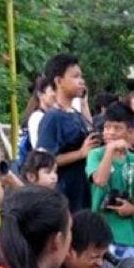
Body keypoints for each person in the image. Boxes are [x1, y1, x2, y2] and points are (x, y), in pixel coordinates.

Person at [36, 54, 101, 212]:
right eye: (75, 76)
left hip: (83, 191)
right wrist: (80, 153)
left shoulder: (75, 114)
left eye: (81, 76)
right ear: (59, 81)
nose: (81, 81)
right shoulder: (52, 117)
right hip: (66, 194)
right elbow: (42, 160)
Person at [87, 103, 134, 258]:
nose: (110, 132)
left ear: (129, 131)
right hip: (100, 235)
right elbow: (100, 180)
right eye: (107, 128)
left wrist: (133, 208)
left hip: (127, 236)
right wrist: (109, 150)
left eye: (117, 128)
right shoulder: (95, 155)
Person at [15, 75, 57, 172]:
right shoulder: (37, 117)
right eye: (52, 90)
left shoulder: (47, 115)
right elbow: (39, 150)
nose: (56, 94)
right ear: (40, 95)